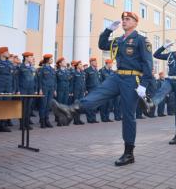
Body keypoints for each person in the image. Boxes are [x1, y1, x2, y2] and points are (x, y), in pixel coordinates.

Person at [51, 11, 153, 166]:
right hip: (117, 76)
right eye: (123, 19)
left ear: (135, 22)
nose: (124, 21)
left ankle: (129, 153)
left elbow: (148, 64)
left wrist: (144, 85)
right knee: (98, 93)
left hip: (132, 79)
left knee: (128, 116)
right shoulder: (118, 40)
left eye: (128, 19)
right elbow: (102, 44)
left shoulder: (141, 40)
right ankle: (71, 110)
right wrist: (108, 30)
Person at [143, 34, 176, 144]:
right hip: (170, 80)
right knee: (162, 90)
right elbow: (156, 55)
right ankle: (151, 104)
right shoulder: (171, 54)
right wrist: (164, 46)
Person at [0, 47, 15, 133]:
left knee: (6, 107)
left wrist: (12, 88)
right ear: (2, 53)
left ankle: (3, 125)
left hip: (8, 89)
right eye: (7, 52)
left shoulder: (9, 63)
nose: (8, 53)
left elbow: (12, 77)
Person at [18, 52, 37, 130]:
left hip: (31, 90)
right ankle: (22, 125)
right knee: (23, 107)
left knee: (28, 107)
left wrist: (35, 89)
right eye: (30, 57)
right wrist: (18, 90)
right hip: (23, 89)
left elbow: (35, 80)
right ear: (26, 58)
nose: (32, 58)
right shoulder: (20, 67)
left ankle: (26, 123)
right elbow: (17, 79)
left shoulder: (32, 67)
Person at [38, 54, 56, 128]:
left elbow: (54, 80)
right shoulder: (42, 69)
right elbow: (39, 80)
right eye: (51, 59)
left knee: (48, 105)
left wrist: (54, 89)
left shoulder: (52, 69)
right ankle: (42, 121)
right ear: (47, 60)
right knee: (43, 105)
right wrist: (40, 89)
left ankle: (47, 120)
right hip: (44, 89)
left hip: (51, 89)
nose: (52, 60)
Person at [84, 57, 100, 123]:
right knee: (89, 104)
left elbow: (98, 80)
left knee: (94, 104)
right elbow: (84, 81)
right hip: (90, 89)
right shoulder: (87, 70)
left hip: (96, 89)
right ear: (91, 62)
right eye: (95, 61)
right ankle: (89, 119)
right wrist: (85, 90)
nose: (96, 62)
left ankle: (93, 118)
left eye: (96, 61)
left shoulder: (96, 70)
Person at [71, 61, 85, 125]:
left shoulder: (82, 72)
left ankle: (78, 119)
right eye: (80, 64)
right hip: (76, 90)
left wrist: (84, 90)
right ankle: (75, 120)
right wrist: (71, 91)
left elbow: (83, 82)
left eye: (81, 64)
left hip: (81, 90)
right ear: (77, 66)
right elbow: (71, 82)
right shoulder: (74, 72)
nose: (81, 65)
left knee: (80, 105)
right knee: (76, 105)